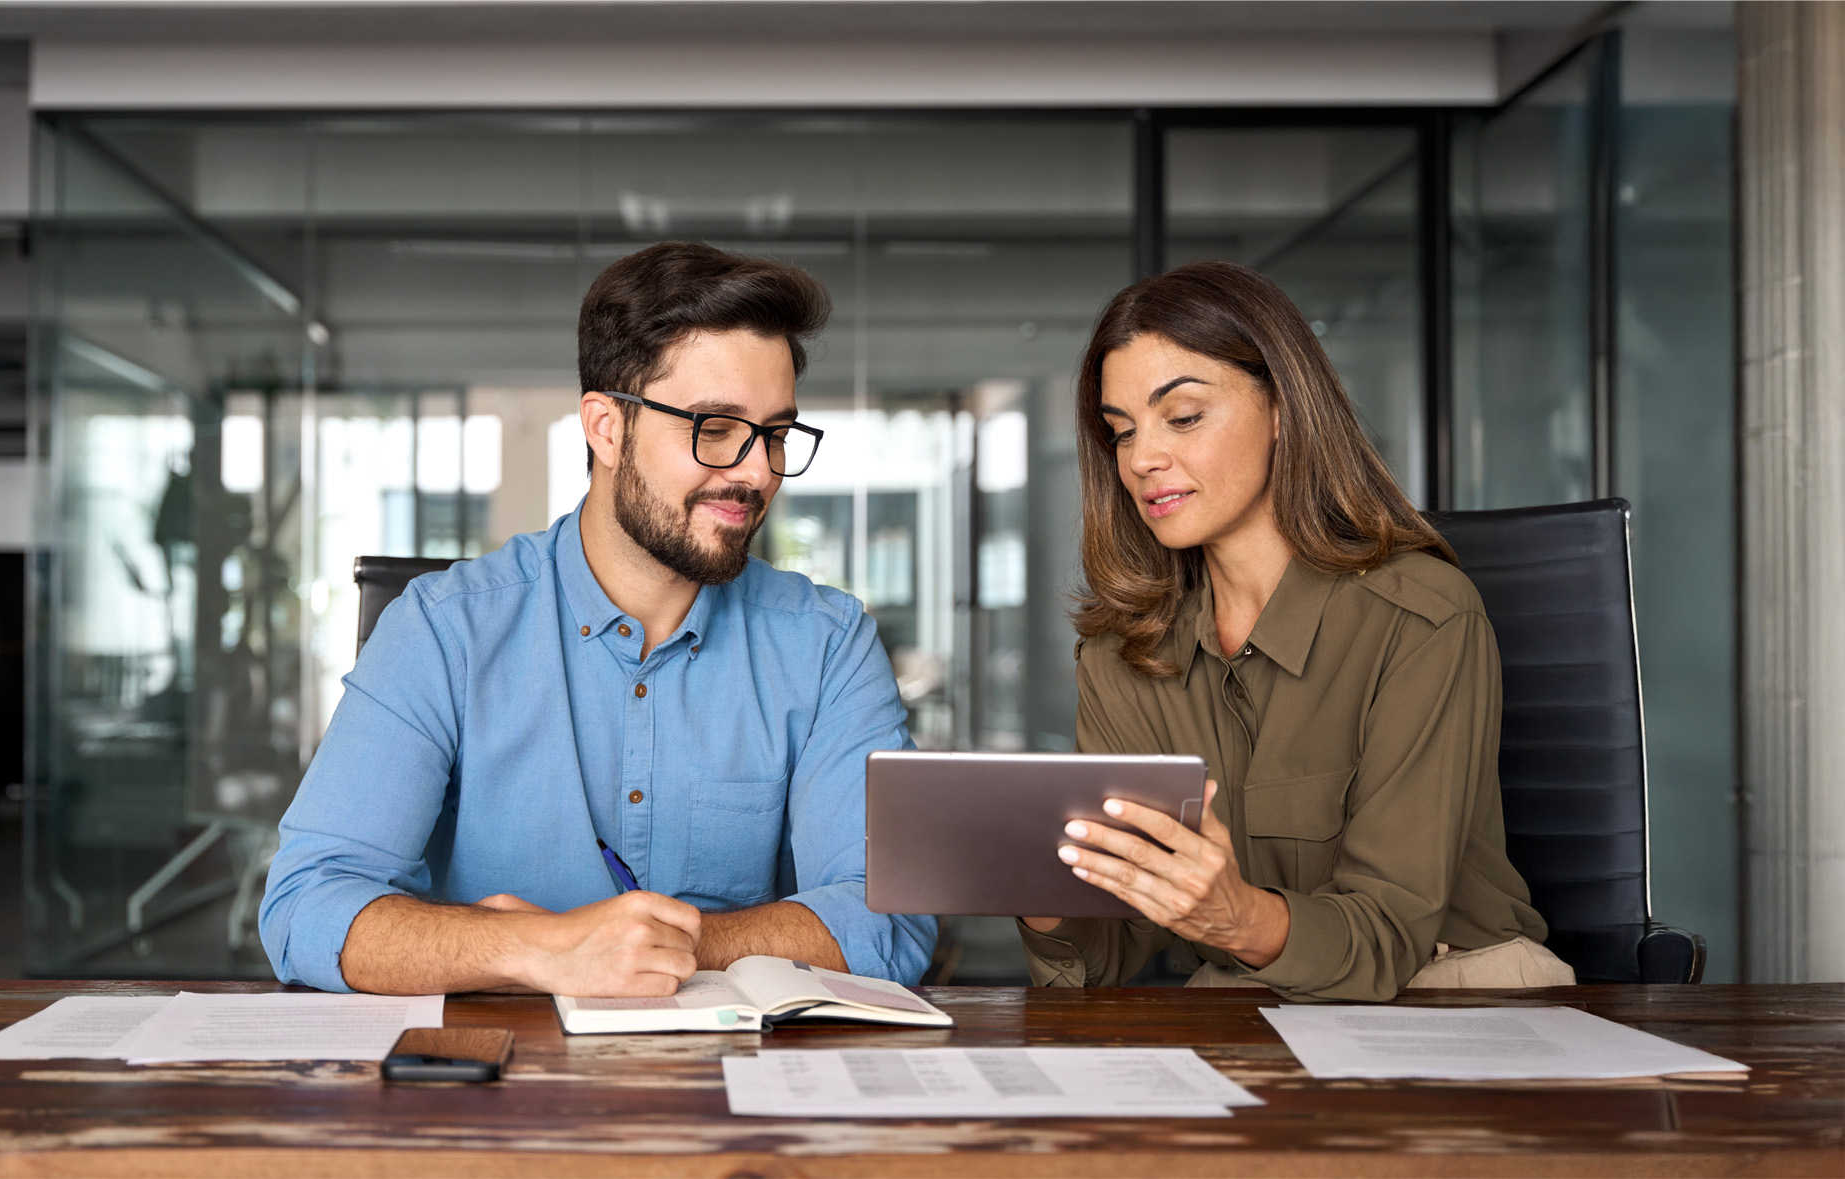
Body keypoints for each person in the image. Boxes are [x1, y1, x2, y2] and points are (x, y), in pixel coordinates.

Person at [260, 242, 935, 996]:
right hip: (494, 1093)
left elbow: (889, 919)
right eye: (715, 427)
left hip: (739, 1088)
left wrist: (658, 944)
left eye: (775, 433)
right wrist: (542, 947)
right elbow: (307, 908)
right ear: (606, 428)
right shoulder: (441, 628)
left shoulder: (826, 643)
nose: (757, 471)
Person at [1019, 260, 1572, 1001]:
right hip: (1242, 997)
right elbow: (1110, 949)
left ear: (1283, 408)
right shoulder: (1124, 654)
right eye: (1120, 432)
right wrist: (1040, 890)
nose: (1143, 458)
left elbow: (1388, 935)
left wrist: (1235, 915)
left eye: (1181, 416)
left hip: (1451, 990)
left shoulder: (1422, 617)